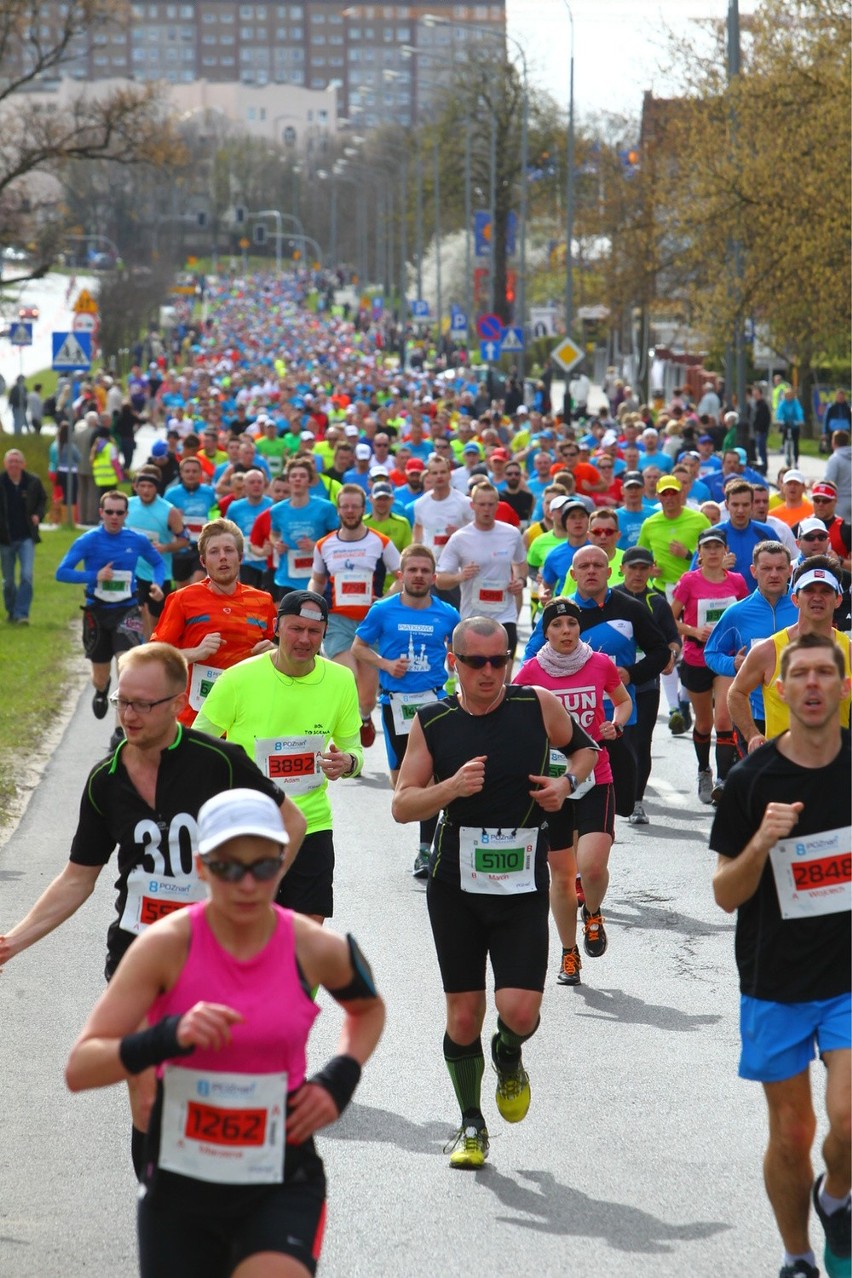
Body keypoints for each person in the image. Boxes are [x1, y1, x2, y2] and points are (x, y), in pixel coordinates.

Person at [0, 643, 305, 1178]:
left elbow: (292, 824)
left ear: (177, 700)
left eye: (144, 704)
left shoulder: (220, 763)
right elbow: (78, 876)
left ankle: (224, 1186)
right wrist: (12, 941)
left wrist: (259, 894)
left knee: (214, 1080)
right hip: (138, 949)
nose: (130, 715)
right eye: (123, 702)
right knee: (145, 1088)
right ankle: (158, 1202)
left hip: (217, 949)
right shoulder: (105, 780)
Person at [65, 787, 384, 1278]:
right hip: (181, 1187)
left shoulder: (314, 946)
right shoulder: (164, 947)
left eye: (263, 866)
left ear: (283, 863)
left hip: (280, 1178)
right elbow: (81, 1067)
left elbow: (368, 1010)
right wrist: (168, 1036)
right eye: (228, 867)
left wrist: (338, 1079)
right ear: (201, 867)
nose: (247, 884)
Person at [391, 616, 598, 1169]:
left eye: (498, 660)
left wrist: (566, 785)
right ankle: (471, 1124)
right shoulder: (432, 721)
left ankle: (508, 1054)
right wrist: (450, 788)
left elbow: (587, 754)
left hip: (521, 882)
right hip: (455, 887)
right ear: (452, 662)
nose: (489, 672)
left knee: (521, 1012)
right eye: (476, 661)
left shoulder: (537, 705)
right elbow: (402, 804)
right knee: (462, 1017)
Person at [711, 634, 850, 1278]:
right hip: (776, 978)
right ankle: (798, 1255)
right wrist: (762, 844)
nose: (815, 684)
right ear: (782, 689)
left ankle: (838, 1197)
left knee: (849, 1120)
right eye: (803, 675)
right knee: (793, 1133)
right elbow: (725, 894)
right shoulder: (752, 780)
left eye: (827, 673)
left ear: (844, 688)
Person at [195, 591, 363, 926]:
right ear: (276, 628)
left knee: (307, 927)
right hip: (250, 824)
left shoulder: (341, 680)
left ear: (325, 633)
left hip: (313, 823)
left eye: (313, 632)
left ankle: (298, 983)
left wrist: (348, 762)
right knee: (251, 928)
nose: (304, 639)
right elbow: (199, 746)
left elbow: (354, 751)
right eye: (295, 629)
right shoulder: (238, 678)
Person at [514, 597, 631, 985]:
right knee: (562, 876)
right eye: (557, 625)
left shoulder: (600, 663)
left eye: (572, 624)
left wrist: (616, 723)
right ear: (545, 631)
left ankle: (593, 912)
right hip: (551, 787)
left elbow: (622, 700)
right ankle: (568, 954)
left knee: (593, 865)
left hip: (596, 775)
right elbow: (511, 713)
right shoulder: (531, 671)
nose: (566, 631)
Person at [352, 544, 460, 878]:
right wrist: (384, 663)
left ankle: (427, 851)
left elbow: (459, 654)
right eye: (412, 570)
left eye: (425, 571)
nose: (418, 576)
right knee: (404, 785)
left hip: (435, 704)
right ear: (401, 575)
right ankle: (429, 842)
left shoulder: (448, 614)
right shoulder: (383, 610)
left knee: (429, 779)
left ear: (434, 577)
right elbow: (359, 647)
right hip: (396, 705)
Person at [56, 489, 166, 739]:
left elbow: (158, 562)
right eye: (109, 512)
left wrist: (157, 584)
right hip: (96, 610)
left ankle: (119, 732)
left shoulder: (136, 540)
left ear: (126, 514)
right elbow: (62, 572)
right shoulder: (88, 540)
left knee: (125, 666)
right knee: (100, 674)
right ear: (101, 513)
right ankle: (101, 689)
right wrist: (94, 576)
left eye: (119, 512)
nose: (114, 517)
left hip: (127, 609)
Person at [151, 518, 277, 726]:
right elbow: (156, 659)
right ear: (203, 561)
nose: (222, 558)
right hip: (196, 716)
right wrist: (196, 652)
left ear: (240, 557)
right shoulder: (183, 599)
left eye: (229, 550)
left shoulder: (262, 601)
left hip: (248, 714)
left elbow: (283, 660)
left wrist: (273, 652)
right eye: (214, 552)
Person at [308, 484, 401, 746]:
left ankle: (364, 717)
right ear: (338, 509)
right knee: (347, 677)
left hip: (370, 624)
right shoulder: (324, 544)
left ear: (363, 508)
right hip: (337, 620)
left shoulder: (380, 542)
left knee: (368, 697)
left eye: (354, 506)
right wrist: (313, 602)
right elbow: (316, 580)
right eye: (344, 506)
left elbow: (401, 576)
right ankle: (343, 737)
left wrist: (383, 601)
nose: (349, 511)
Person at [728, 558, 852, 750]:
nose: (817, 598)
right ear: (795, 599)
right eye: (809, 590)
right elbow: (736, 692)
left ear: (838, 600)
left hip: (834, 768)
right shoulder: (768, 650)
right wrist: (752, 735)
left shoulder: (849, 651)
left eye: (826, 591)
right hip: (782, 768)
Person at [671, 528, 749, 804]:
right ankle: (705, 770)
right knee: (704, 724)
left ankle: (723, 780)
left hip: (726, 658)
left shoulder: (737, 581)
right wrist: (693, 631)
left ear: (726, 551)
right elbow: (672, 620)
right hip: (697, 658)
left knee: (724, 720)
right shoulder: (689, 581)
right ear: (699, 553)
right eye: (708, 547)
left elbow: (746, 613)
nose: (713, 552)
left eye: (718, 547)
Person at [705, 541, 797, 744]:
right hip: (755, 715)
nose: (774, 574)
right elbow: (711, 653)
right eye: (766, 568)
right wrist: (733, 664)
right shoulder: (737, 613)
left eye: (780, 568)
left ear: (790, 570)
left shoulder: (804, 607)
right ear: (754, 571)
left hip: (801, 714)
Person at [614, 546, 681, 825]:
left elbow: (672, 638)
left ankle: (636, 802)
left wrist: (672, 655)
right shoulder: (612, 599)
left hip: (646, 682)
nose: (638, 574)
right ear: (622, 569)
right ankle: (609, 796)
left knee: (641, 743)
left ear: (651, 569)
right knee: (619, 742)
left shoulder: (657, 601)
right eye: (633, 568)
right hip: (614, 685)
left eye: (644, 568)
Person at [435, 483, 527, 668]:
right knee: (474, 674)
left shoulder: (511, 533)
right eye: (482, 504)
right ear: (472, 505)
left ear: (497, 505)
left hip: (504, 615)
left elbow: (521, 563)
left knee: (504, 676)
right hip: (472, 616)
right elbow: (440, 580)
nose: (487, 509)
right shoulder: (460, 538)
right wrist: (460, 577)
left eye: (491, 504)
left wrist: (520, 580)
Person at [127, 465, 188, 640]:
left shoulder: (169, 510)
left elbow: (183, 540)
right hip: (133, 571)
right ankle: (139, 649)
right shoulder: (128, 505)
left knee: (155, 621)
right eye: (142, 486)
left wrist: (166, 547)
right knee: (137, 613)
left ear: (157, 488)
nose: (146, 490)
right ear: (136, 487)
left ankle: (149, 648)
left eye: (150, 486)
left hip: (160, 574)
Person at [0, 447, 47, 624]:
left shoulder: (32, 481)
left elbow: (43, 500)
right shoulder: (1, 482)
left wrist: (38, 515)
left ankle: (22, 614)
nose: (14, 465)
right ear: (5, 464)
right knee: (8, 581)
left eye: (17, 461)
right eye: (11, 461)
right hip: (5, 539)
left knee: (27, 575)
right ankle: (11, 611)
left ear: (23, 464)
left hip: (26, 537)